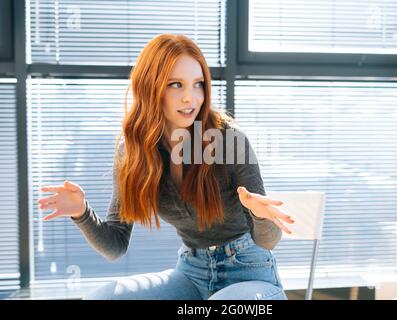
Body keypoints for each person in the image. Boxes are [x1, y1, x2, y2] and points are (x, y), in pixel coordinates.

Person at [36, 34, 294, 300]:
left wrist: (260, 215)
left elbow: (268, 240)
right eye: (176, 85)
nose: (190, 98)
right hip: (191, 274)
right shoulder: (134, 151)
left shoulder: (229, 140)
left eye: (198, 85)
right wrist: (81, 212)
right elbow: (115, 245)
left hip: (250, 273)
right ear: (151, 87)